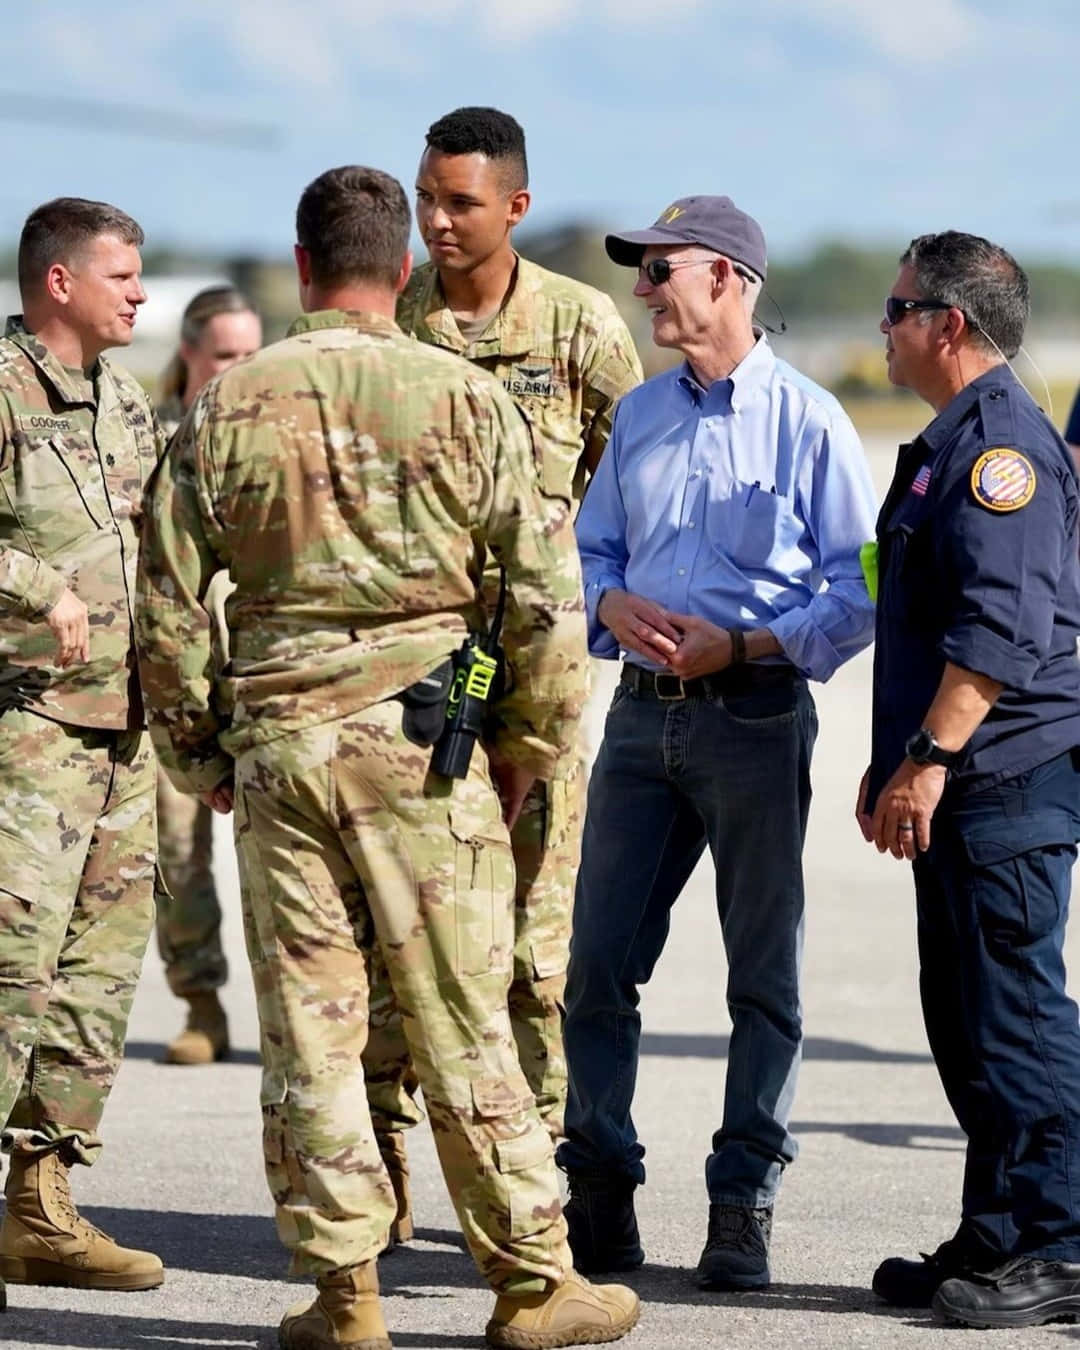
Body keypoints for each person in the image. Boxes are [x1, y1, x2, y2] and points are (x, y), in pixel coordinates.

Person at [135, 165, 640, 1350]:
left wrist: (200, 752)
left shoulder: (226, 403)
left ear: (302, 268)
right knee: (462, 1011)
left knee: (312, 1027)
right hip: (425, 755)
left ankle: (342, 1293)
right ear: (401, 268)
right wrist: (527, 742)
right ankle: (531, 1283)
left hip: (280, 758)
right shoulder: (468, 401)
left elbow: (163, 606)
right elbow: (544, 598)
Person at [560, 195, 878, 1291]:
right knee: (596, 966)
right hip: (641, 719)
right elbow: (590, 551)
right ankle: (597, 1185)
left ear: (731, 281)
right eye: (641, 272)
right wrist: (608, 610)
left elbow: (858, 589)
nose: (644, 289)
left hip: (754, 718)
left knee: (764, 979)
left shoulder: (811, 422)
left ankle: (743, 1200)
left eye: (663, 270)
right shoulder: (641, 418)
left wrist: (742, 645)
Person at [367, 103, 643, 1243]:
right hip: (404, 673)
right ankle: (374, 1189)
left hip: (532, 679)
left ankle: (538, 1197)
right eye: (425, 197)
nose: (435, 220)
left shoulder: (580, 329)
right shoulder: (388, 321)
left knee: (536, 950)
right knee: (388, 937)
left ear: (515, 207)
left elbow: (636, 483)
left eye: (460, 201)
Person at [859, 231, 1080, 1329]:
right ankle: (999, 1231)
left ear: (948, 323)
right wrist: (894, 763)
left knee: (1018, 1018)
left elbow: (1000, 634)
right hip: (956, 779)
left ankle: (1065, 1241)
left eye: (896, 310)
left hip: (1005, 780)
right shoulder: (948, 445)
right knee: (967, 1018)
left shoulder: (1004, 455)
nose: (884, 329)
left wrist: (932, 758)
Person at [0, 197, 164, 1297]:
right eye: (121, 276)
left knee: (95, 985)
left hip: (128, 734)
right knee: (10, 972)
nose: (141, 294)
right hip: (29, 730)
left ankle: (40, 1205)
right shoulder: (4, 389)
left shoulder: (128, 397)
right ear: (59, 282)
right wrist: (30, 583)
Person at [155, 284, 261, 1066]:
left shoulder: (274, 436)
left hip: (259, 672)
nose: (239, 369)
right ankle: (201, 1002)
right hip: (177, 675)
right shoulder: (149, 437)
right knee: (179, 849)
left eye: (253, 354)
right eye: (226, 354)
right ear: (190, 353)